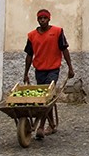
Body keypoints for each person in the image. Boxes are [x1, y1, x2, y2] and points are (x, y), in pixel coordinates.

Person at [23, 8, 74, 139]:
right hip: (39, 70)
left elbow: (64, 50)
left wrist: (70, 67)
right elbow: (29, 55)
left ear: (49, 19)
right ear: (37, 20)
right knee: (45, 99)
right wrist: (26, 73)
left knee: (46, 96)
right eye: (40, 18)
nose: (42, 21)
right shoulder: (32, 35)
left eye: (45, 18)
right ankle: (51, 124)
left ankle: (41, 126)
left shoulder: (57, 32)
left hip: (53, 69)